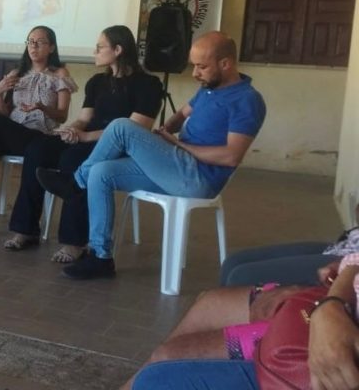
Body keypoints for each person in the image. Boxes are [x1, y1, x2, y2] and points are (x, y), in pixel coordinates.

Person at [37, 31, 266, 279]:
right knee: (101, 172)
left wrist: (178, 145)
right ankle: (100, 258)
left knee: (121, 126)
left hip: (197, 178)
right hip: (175, 166)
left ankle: (75, 183)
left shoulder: (247, 100)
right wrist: (165, 131)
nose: (195, 73)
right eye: (194, 66)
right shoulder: (209, 88)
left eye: (202, 67)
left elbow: (231, 156)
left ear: (226, 64)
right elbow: (182, 114)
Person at [4, 25, 163, 257]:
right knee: (37, 149)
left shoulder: (148, 84)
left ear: (118, 50)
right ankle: (26, 229)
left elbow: (134, 128)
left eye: (100, 47)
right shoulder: (97, 81)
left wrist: (86, 136)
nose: (94, 52)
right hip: (88, 138)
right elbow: (84, 119)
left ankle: (74, 242)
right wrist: (72, 130)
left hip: (119, 146)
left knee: (72, 159)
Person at [124, 255, 359, 390]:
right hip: (329, 300)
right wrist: (332, 303)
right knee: (210, 302)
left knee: (163, 367)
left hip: (325, 336)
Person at [0, 25, 77, 241]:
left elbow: (62, 116)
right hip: (13, 132)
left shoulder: (60, 74)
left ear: (51, 47)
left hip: (39, 137)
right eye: (30, 41)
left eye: (40, 42)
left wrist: (42, 107)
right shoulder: (17, 74)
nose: (34, 46)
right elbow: (4, 114)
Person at [219, 203, 359, 286]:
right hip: (347, 244)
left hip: (350, 262)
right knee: (233, 262)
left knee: (241, 276)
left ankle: (237, 324)